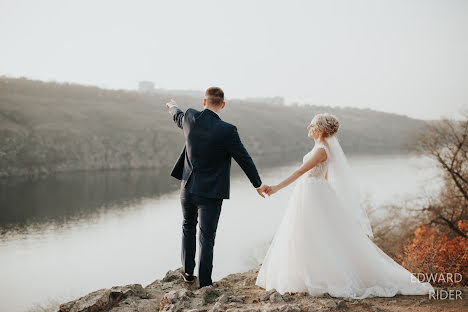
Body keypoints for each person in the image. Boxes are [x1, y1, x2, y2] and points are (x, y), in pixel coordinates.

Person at [255, 113, 434, 298]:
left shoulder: (321, 149)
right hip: (312, 191)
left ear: (321, 129)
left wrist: (276, 187)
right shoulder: (321, 147)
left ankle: (316, 276)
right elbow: (323, 175)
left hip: (312, 192)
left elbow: (301, 171)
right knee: (305, 232)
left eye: (312, 125)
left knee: (312, 232)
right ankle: (305, 274)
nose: (308, 128)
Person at [166, 86, 270, 288]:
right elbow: (244, 159)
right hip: (211, 194)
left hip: (188, 187)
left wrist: (172, 106)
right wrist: (257, 184)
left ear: (204, 102)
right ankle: (204, 283)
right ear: (223, 105)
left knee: (188, 226)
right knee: (207, 237)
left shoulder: (190, 118)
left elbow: (177, 115)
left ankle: (188, 273)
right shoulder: (228, 130)